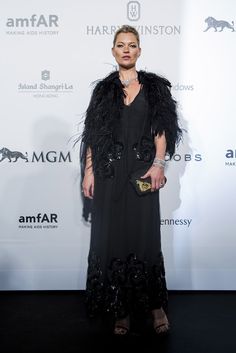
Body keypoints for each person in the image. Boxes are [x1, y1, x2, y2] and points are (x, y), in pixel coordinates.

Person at [78, 25, 182, 336]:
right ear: (113, 51)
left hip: (142, 173)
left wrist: (159, 164)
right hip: (109, 176)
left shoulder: (154, 89)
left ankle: (155, 307)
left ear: (139, 51)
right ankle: (119, 310)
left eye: (132, 45)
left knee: (145, 239)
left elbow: (162, 129)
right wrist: (89, 170)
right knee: (113, 240)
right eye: (121, 45)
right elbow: (94, 135)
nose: (126, 49)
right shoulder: (102, 91)